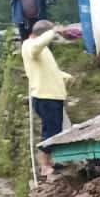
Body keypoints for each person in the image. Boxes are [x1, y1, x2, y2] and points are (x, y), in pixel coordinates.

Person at [21, 20, 72, 176]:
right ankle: (44, 165)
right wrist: (54, 31)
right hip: (45, 96)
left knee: (55, 130)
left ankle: (51, 161)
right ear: (43, 34)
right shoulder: (30, 45)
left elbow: (49, 70)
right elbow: (36, 47)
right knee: (49, 131)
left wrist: (65, 77)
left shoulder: (43, 50)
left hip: (52, 95)